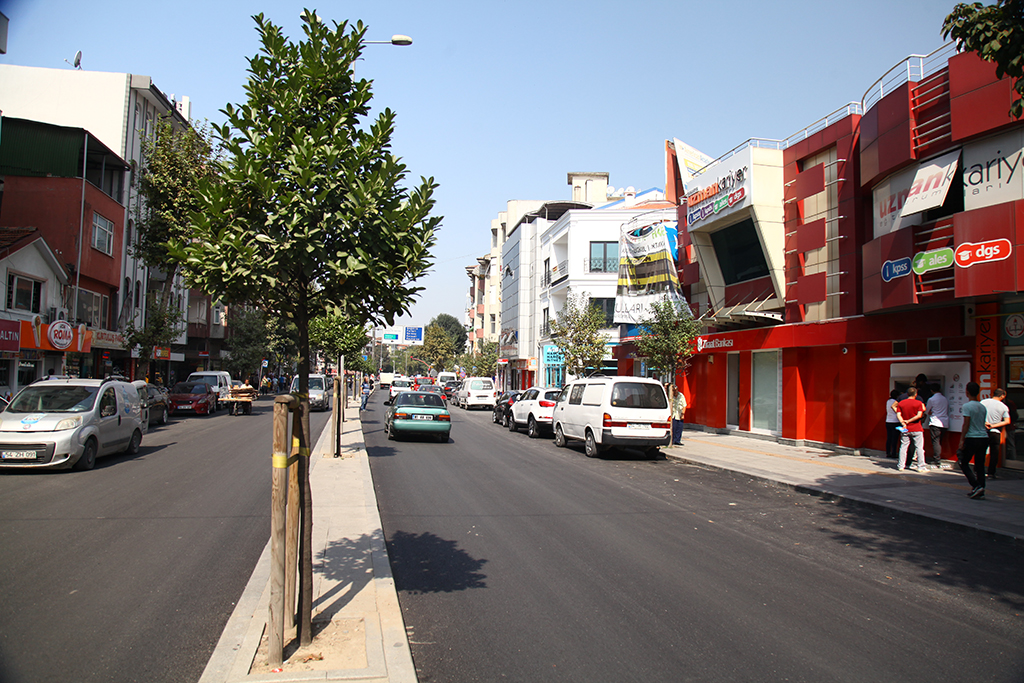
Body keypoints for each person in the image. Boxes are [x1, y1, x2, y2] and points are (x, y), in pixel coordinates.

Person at [958, 381, 989, 499]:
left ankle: (976, 486)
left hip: (972, 437)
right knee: (980, 464)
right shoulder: (982, 407)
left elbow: (966, 424)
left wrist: (962, 440)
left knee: (963, 462)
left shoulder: (967, 406)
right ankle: (981, 488)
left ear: (967, 392)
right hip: (984, 437)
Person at [981, 388, 1011, 479]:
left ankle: (978, 470)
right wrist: (993, 425)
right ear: (1003, 396)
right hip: (995, 432)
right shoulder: (1003, 406)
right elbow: (1007, 421)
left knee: (981, 452)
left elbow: (977, 415)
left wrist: (985, 423)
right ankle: (991, 473)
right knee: (994, 453)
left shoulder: (983, 402)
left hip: (982, 431)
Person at [895, 386, 927, 471]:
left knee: (903, 447)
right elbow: (919, 415)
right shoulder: (918, 403)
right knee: (919, 448)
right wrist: (909, 421)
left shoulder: (901, 403)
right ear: (916, 394)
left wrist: (903, 422)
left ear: (907, 394)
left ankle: (901, 465)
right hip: (917, 428)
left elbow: (898, 414)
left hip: (905, 428)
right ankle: (921, 466)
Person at [925, 383, 948, 467]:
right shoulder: (945, 399)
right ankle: (938, 457)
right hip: (944, 422)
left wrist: (930, 412)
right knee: (939, 441)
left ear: (932, 390)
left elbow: (927, 410)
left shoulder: (931, 399)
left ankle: (936, 459)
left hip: (935, 422)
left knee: (935, 442)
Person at [885, 389, 901, 459]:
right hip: (895, 422)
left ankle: (888, 452)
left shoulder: (888, 401)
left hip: (888, 421)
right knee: (895, 439)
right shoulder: (896, 402)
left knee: (889, 438)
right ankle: (894, 453)